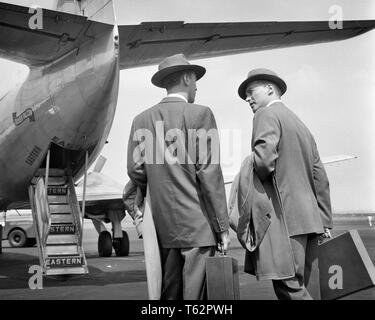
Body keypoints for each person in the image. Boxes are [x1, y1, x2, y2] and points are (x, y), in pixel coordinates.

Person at [127, 53, 230, 300]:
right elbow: (209, 172)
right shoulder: (201, 114)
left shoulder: (141, 120)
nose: (196, 86)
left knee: (168, 295)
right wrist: (222, 227)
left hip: (162, 229)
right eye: (195, 80)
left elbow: (135, 171)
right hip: (198, 226)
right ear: (186, 78)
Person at [237, 68, 333, 300]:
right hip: (310, 221)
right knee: (307, 287)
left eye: (251, 92)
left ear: (270, 88)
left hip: (285, 219)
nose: (248, 98)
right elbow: (319, 174)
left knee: (289, 287)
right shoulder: (300, 124)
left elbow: (264, 162)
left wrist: (248, 166)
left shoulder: (265, 115)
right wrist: (324, 219)